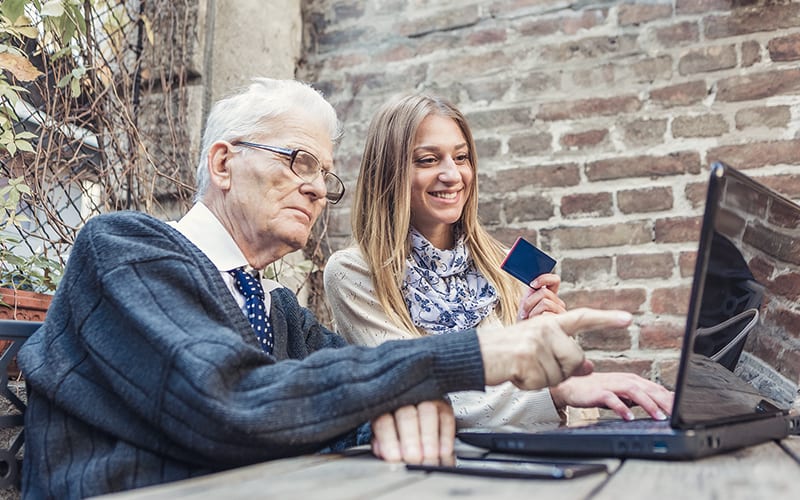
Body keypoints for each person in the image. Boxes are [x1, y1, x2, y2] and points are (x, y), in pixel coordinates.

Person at [17, 78, 633, 499]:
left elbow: (358, 386)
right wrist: (477, 355)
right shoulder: (124, 249)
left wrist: (398, 399)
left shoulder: (279, 312)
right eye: (297, 161)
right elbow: (227, 402)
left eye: (326, 175)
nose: (316, 189)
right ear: (224, 163)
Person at [324, 93, 673, 429]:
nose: (452, 175)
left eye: (461, 158)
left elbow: (567, 401)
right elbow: (420, 391)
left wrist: (547, 343)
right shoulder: (355, 273)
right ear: (388, 172)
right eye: (428, 160)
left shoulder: (503, 265)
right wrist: (554, 390)